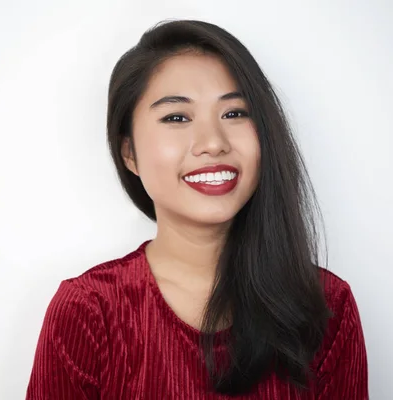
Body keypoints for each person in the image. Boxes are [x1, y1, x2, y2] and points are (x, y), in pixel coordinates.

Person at [26, 19, 368, 399]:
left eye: (235, 113)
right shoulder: (89, 313)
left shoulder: (326, 306)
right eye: (177, 118)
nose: (212, 142)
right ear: (129, 152)